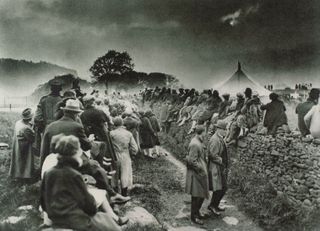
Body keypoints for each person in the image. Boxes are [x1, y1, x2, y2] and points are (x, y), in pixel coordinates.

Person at [40, 135, 121, 231]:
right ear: (73, 153)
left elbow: (43, 201)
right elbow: (89, 204)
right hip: (74, 220)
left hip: (55, 218)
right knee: (108, 223)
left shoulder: (48, 173)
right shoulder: (74, 175)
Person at [40, 99, 93, 166]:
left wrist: (42, 166)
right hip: (70, 162)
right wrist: (90, 140)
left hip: (52, 162)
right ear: (75, 114)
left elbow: (44, 150)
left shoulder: (50, 126)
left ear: (64, 112)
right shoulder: (77, 126)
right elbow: (87, 147)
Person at [185, 125, 209, 225]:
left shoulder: (198, 141)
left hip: (199, 173)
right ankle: (194, 217)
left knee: (201, 195)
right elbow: (191, 161)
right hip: (196, 174)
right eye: (205, 132)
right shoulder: (195, 144)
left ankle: (197, 213)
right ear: (202, 132)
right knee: (196, 196)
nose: (206, 134)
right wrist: (201, 169)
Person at [110, 117, 138, 196]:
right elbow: (135, 148)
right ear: (122, 123)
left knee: (114, 173)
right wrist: (133, 154)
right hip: (125, 154)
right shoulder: (128, 133)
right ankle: (124, 193)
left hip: (114, 154)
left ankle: (115, 193)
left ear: (114, 124)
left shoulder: (111, 133)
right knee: (125, 173)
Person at [208, 120, 229, 216]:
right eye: (224, 129)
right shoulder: (215, 140)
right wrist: (221, 161)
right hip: (215, 167)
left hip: (220, 167)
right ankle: (213, 206)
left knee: (222, 187)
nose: (226, 131)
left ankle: (214, 205)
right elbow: (212, 155)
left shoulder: (220, 138)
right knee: (220, 188)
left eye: (226, 129)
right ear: (219, 129)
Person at [9, 108, 35, 183]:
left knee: (17, 159)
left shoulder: (18, 123)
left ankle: (16, 175)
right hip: (25, 146)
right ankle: (24, 177)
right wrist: (33, 130)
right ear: (30, 118)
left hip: (17, 144)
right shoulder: (26, 128)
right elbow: (32, 138)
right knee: (25, 161)